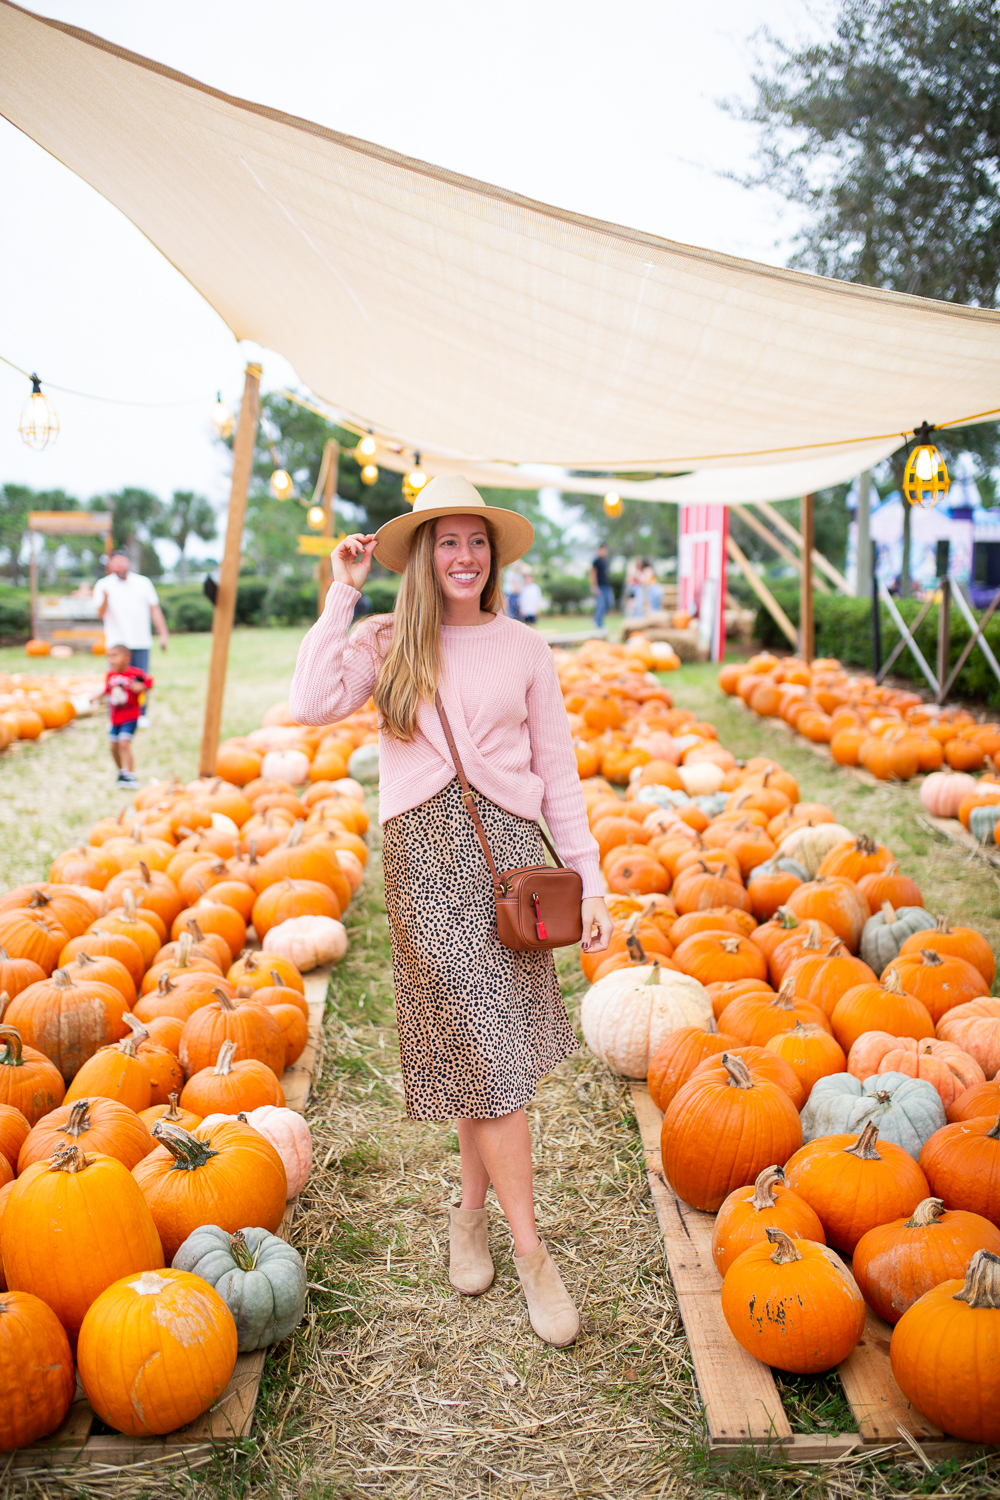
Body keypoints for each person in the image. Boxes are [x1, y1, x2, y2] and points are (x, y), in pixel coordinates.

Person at [290, 475, 612, 1348]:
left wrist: (590, 880)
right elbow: (307, 702)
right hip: (426, 856)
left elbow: (561, 777)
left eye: (478, 542)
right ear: (425, 558)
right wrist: (343, 590)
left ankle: (468, 1215)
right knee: (486, 1045)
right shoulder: (390, 639)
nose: (464, 557)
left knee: (489, 1051)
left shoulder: (527, 649)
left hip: (510, 858)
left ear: (493, 556)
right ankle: (532, 1251)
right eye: (448, 543)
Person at [93, 551, 168, 726]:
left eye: (123, 561)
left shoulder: (143, 583)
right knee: (116, 681)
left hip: (140, 639)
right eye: (115, 562)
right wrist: (105, 599)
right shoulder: (103, 585)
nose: (119, 565)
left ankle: (140, 714)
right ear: (110, 565)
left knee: (139, 680)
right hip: (117, 641)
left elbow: (154, 609)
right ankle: (115, 715)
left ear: (128, 563)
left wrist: (163, 634)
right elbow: (100, 614)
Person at [92, 643, 152, 787]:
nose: (111, 660)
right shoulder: (111, 675)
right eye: (109, 657)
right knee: (113, 746)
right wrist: (95, 697)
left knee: (124, 743)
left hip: (130, 715)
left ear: (127, 658)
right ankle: (121, 772)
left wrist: (141, 687)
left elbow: (149, 682)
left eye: (114, 656)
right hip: (115, 718)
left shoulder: (135, 673)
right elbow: (107, 690)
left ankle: (131, 775)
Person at [590, 543, 614, 628]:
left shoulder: (606, 561)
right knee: (600, 605)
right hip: (599, 586)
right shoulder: (596, 561)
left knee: (609, 603)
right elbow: (593, 574)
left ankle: (597, 619)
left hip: (606, 586)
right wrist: (594, 586)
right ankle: (599, 623)